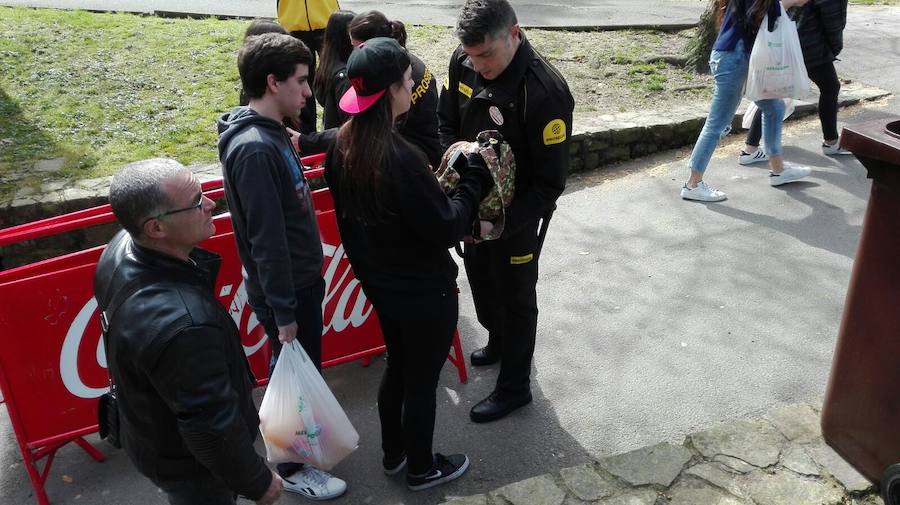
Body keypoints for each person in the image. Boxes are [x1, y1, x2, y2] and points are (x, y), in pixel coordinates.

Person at [325, 37, 493, 490]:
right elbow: (446, 228)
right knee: (420, 380)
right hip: (424, 290)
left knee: (400, 366)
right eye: (406, 80)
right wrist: (472, 183)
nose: (412, 84)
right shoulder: (400, 158)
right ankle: (421, 466)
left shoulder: (342, 146)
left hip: (381, 285)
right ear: (393, 93)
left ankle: (394, 453)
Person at [93, 158, 282, 505]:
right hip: (190, 467)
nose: (211, 203)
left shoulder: (119, 247)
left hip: (152, 440)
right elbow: (211, 425)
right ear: (155, 229)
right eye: (197, 201)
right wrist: (257, 481)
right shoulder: (185, 325)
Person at [217, 32, 347, 500]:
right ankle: (292, 469)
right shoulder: (255, 147)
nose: (309, 92)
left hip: (293, 284)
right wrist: (286, 311)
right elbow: (266, 238)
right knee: (291, 376)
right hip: (287, 289)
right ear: (272, 83)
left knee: (293, 373)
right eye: (300, 81)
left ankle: (293, 456)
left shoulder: (269, 134)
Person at [437, 0, 574, 423]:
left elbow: (550, 183)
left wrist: (500, 225)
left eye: (487, 55)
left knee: (516, 298)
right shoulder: (464, 59)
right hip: (471, 207)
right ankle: (497, 342)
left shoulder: (545, 92)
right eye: (472, 56)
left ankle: (515, 388)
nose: (478, 66)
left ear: (514, 34)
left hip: (514, 220)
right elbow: (447, 121)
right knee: (480, 278)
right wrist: (454, 167)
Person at [681, 0, 812, 202]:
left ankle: (778, 170)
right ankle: (693, 184)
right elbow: (767, 10)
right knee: (717, 124)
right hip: (735, 60)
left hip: (736, 57)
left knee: (774, 107)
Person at [738, 0, 849, 165]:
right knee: (830, 87)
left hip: (784, 41)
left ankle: (751, 149)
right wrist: (833, 49)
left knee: (774, 94)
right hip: (808, 44)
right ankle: (831, 142)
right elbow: (833, 21)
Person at [349, 10, 442, 168]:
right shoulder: (405, 65)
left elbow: (365, 127)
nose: (354, 54)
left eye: (357, 48)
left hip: (421, 157)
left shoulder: (398, 81)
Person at [296, 9, 356, 155]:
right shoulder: (344, 77)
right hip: (342, 146)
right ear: (346, 37)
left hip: (331, 138)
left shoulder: (327, 65)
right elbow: (352, 124)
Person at [277, 0, 340, 134]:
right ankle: (305, 135)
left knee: (335, 79)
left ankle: (333, 132)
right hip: (293, 21)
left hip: (326, 18)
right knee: (299, 82)